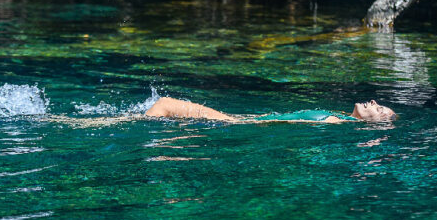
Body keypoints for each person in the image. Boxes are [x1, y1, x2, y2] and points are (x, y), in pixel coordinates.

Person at [144, 97, 396, 123]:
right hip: (248, 119)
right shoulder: (338, 115)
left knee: (164, 104)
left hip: (241, 123)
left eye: (379, 108)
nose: (373, 102)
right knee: (164, 106)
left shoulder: (334, 122)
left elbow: (289, 124)